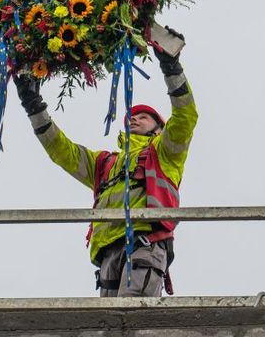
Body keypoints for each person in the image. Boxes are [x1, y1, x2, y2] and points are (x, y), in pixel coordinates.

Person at [13, 35, 196, 297]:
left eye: (143, 117)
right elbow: (61, 150)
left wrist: (172, 68)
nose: (134, 120)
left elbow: (186, 117)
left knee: (130, 317)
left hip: (146, 244)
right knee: (109, 325)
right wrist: (33, 106)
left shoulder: (163, 153)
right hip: (108, 252)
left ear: (159, 128)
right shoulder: (105, 163)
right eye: (131, 117)